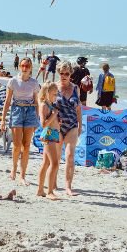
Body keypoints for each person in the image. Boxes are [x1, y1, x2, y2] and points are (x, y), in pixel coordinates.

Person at [0, 57, 40, 184]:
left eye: (27, 66)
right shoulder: (13, 81)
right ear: (20, 67)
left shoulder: (34, 83)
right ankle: (14, 168)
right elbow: (7, 101)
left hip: (30, 112)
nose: (25, 68)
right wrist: (3, 120)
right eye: (23, 66)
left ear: (31, 67)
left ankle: (22, 175)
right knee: (17, 145)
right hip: (16, 111)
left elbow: (37, 102)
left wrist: (37, 119)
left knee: (26, 145)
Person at [54, 62, 83, 197]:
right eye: (62, 73)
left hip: (72, 125)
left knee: (70, 156)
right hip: (57, 125)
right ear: (59, 73)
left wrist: (80, 124)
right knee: (56, 156)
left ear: (70, 74)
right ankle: (53, 183)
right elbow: (46, 104)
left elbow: (78, 108)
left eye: (67, 73)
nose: (64, 76)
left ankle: (68, 186)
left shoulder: (76, 88)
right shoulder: (54, 87)